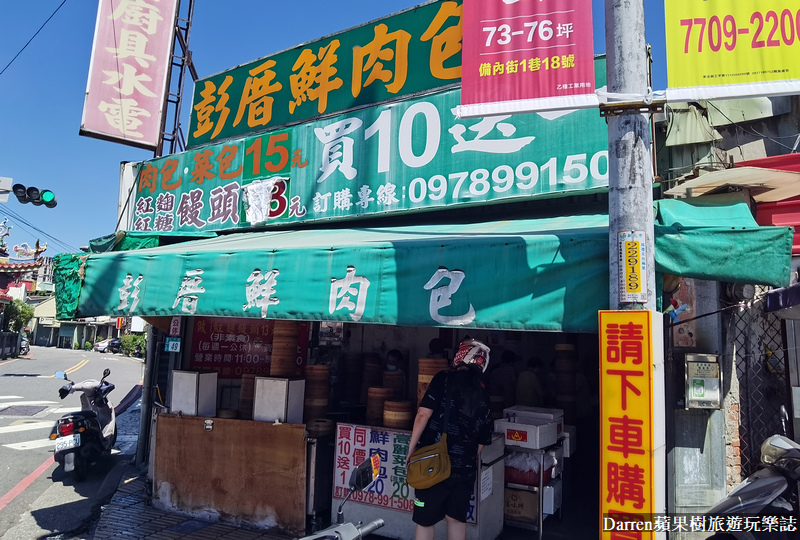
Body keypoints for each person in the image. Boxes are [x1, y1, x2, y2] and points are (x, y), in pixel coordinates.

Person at [406, 339, 493, 540]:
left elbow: (422, 414)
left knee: (425, 521)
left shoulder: (444, 378)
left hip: (433, 463)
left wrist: (411, 450)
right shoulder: (482, 391)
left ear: (461, 356)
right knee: (455, 519)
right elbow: (482, 439)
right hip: (464, 470)